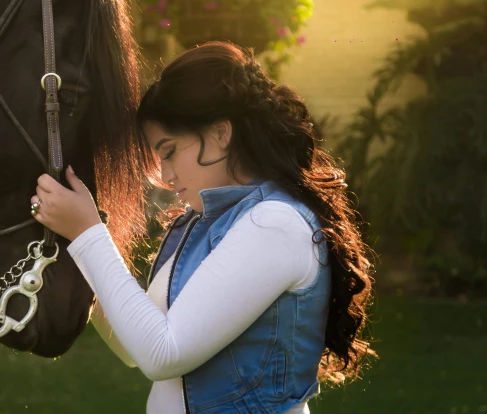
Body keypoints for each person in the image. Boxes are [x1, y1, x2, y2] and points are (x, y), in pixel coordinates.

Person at [30, 41, 374, 414]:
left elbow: (164, 354)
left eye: (169, 150)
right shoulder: (203, 223)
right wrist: (78, 247)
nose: (166, 174)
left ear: (221, 134)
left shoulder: (274, 223)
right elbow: (136, 350)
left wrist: (88, 234)